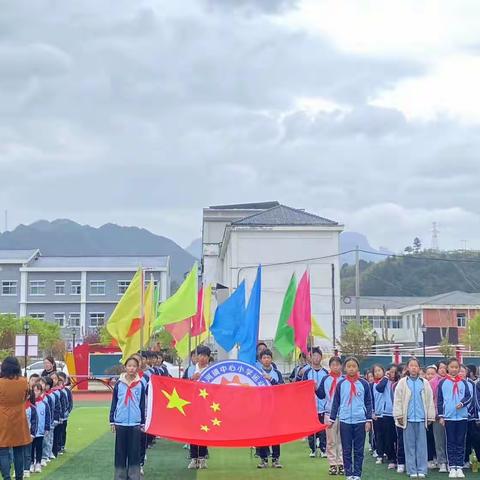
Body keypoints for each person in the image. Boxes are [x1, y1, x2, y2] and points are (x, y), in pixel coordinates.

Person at [330, 356, 372, 480]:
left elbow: (368, 402)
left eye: (354, 366)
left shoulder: (364, 383)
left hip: (360, 420)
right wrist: (332, 419)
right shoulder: (341, 384)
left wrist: (368, 419)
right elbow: (336, 402)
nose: (351, 369)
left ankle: (357, 473)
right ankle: (349, 473)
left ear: (358, 368)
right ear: (345, 369)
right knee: (346, 449)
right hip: (345, 421)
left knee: (359, 450)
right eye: (349, 366)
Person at [393, 357, 435, 479]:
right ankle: (412, 469)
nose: (414, 368)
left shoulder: (424, 383)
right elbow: (398, 400)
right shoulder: (402, 382)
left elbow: (429, 400)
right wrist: (399, 415)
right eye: (411, 365)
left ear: (419, 368)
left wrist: (430, 416)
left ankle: (422, 469)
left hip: (421, 419)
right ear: (407, 368)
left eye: (416, 366)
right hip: (408, 419)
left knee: (422, 445)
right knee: (409, 445)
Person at [110, 356, 146, 480]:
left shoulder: (140, 384)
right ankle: (120, 476)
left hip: (135, 423)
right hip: (121, 422)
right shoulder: (119, 384)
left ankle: (134, 476)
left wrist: (142, 422)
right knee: (120, 452)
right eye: (129, 366)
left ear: (137, 368)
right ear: (125, 367)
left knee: (134, 452)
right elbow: (114, 402)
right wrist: (112, 420)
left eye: (134, 366)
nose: (131, 368)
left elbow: (142, 404)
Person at [437, 357, 471, 478]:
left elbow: (468, 397)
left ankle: (459, 467)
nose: (454, 369)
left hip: (462, 417)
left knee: (460, 441)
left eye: (456, 367)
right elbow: (440, 400)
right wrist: (441, 416)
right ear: (447, 368)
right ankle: (452, 467)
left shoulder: (463, 382)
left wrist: (462, 403)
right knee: (450, 441)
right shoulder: (442, 382)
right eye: (452, 367)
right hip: (449, 418)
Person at [0, 357, 31, 480]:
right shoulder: (24, 381)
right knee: (19, 449)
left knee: (3, 450)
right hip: (19, 417)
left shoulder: (1, 383)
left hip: (3, 418)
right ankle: (19, 477)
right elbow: (25, 397)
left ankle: (6, 477)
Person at [256, 349, 284, 469]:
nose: (266, 360)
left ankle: (276, 459)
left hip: (275, 407)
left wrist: (271, 379)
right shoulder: (256, 372)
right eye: (264, 358)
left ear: (271, 359)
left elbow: (282, 388)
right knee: (263, 434)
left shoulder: (276, 373)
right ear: (261, 360)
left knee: (275, 434)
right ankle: (263, 459)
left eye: (268, 357)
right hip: (261, 408)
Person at [185, 345, 211, 470]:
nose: (202, 358)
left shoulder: (212, 370)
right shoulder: (190, 369)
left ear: (208, 358)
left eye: (205, 356)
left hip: (206, 406)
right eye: (200, 355)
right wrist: (191, 379)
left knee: (204, 431)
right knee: (192, 432)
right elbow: (181, 386)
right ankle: (193, 458)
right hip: (192, 405)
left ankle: (202, 458)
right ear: (196, 357)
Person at [316, 356, 344, 475]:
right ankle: (332, 464)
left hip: (343, 414)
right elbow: (321, 395)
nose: (335, 367)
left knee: (342, 440)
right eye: (333, 365)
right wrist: (315, 388)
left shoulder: (344, 379)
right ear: (330, 366)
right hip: (329, 413)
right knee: (331, 440)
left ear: (341, 366)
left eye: (338, 364)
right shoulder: (325, 379)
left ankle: (342, 463)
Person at [300, 347, 328, 457]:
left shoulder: (325, 373)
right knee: (311, 429)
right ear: (310, 358)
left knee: (322, 429)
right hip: (311, 406)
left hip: (323, 405)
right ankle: (312, 449)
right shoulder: (307, 372)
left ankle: (323, 449)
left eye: (318, 355)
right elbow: (302, 388)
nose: (316, 358)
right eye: (313, 356)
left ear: (321, 357)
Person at [374, 364, 398, 470]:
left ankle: (400, 459)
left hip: (399, 413)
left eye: (395, 372)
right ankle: (392, 458)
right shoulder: (385, 381)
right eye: (391, 372)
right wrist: (386, 378)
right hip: (388, 413)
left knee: (398, 438)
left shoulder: (401, 382)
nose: (393, 374)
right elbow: (379, 388)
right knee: (388, 438)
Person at [431, 360, 448, 473]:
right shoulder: (432, 382)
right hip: (437, 415)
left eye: (444, 367)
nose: (442, 369)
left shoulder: (450, 380)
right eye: (440, 367)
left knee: (449, 440)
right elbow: (430, 399)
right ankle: (442, 462)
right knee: (439, 440)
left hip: (450, 415)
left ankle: (450, 461)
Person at [459, 364, 476, 468]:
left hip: (469, 416)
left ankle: (466, 459)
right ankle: (458, 460)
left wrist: (469, 411)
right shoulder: (454, 382)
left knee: (468, 438)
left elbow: (473, 398)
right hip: (457, 416)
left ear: (466, 372)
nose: (460, 373)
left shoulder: (471, 383)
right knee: (459, 438)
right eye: (459, 371)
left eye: (462, 371)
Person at [31, 383, 50, 473]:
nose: (35, 392)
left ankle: (38, 462)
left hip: (40, 430)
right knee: (31, 447)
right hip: (31, 431)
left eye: (37, 390)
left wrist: (47, 427)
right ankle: (31, 463)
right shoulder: (29, 404)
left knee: (39, 447)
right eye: (34, 390)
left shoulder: (44, 403)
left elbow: (47, 416)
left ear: (41, 391)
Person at [371, 364, 386, 465]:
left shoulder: (387, 382)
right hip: (377, 415)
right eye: (375, 371)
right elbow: (370, 399)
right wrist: (372, 412)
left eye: (379, 370)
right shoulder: (371, 385)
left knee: (387, 436)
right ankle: (380, 454)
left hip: (386, 414)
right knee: (378, 435)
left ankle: (387, 453)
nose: (377, 373)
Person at [39, 376, 55, 465]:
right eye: (39, 383)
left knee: (46, 440)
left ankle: (45, 456)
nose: (41, 385)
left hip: (46, 422)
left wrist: (50, 422)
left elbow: (51, 410)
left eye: (42, 383)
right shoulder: (33, 396)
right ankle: (36, 458)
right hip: (37, 424)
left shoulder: (48, 397)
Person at [23, 389, 37, 478]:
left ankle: (27, 469)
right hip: (17, 434)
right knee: (18, 453)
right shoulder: (16, 407)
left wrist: (32, 434)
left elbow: (34, 421)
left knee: (27, 452)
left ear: (28, 396)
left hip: (28, 433)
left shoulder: (32, 408)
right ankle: (19, 470)